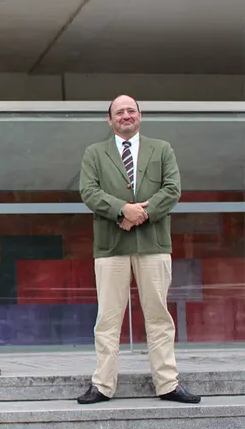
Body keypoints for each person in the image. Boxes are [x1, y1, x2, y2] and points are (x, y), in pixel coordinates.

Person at [77, 94, 200, 405]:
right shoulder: (95, 152)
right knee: (107, 319)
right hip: (111, 248)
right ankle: (103, 385)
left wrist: (141, 214)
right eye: (119, 112)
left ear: (140, 116)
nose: (126, 116)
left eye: (131, 110)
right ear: (110, 120)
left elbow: (172, 188)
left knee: (159, 316)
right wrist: (122, 210)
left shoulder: (162, 149)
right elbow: (89, 191)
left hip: (153, 244)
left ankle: (167, 383)